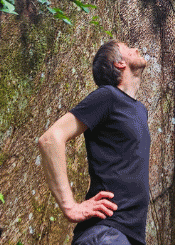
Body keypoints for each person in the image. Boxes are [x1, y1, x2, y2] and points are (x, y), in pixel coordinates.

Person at [38, 40, 150, 245]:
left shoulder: (140, 110)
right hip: (106, 233)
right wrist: (70, 207)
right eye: (128, 48)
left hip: (129, 236)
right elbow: (50, 139)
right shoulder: (108, 96)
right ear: (119, 64)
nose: (135, 49)